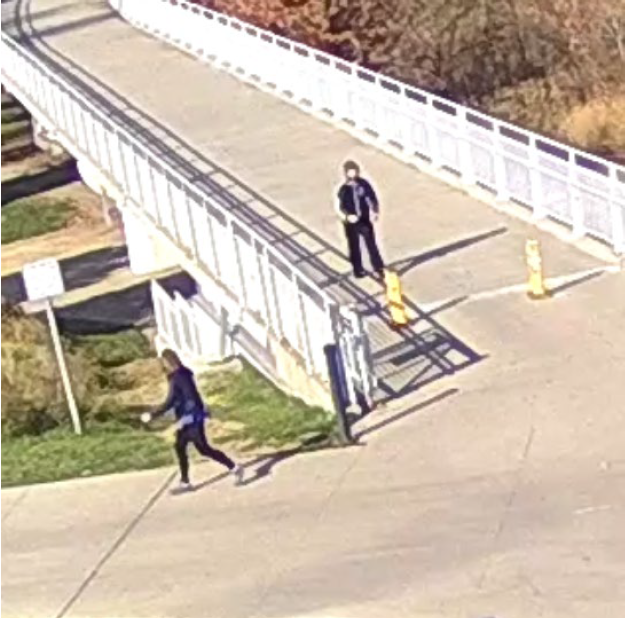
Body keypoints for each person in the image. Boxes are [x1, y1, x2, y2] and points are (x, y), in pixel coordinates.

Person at [141, 349, 243, 492]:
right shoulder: (179, 375)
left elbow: (188, 398)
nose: (163, 366)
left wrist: (158, 415)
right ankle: (185, 482)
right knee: (180, 446)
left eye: (164, 362)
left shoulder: (180, 377)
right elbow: (174, 400)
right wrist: (157, 414)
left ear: (170, 362)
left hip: (192, 419)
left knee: (204, 449)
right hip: (186, 418)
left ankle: (235, 467)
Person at [335, 160, 385, 278]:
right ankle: (357, 269)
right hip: (350, 222)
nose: (353, 175)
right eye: (350, 173)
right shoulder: (344, 189)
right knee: (354, 246)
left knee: (371, 244)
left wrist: (375, 210)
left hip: (364, 218)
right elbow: (339, 206)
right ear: (346, 174)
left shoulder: (364, 184)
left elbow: (371, 197)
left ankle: (378, 267)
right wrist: (347, 216)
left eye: (355, 172)